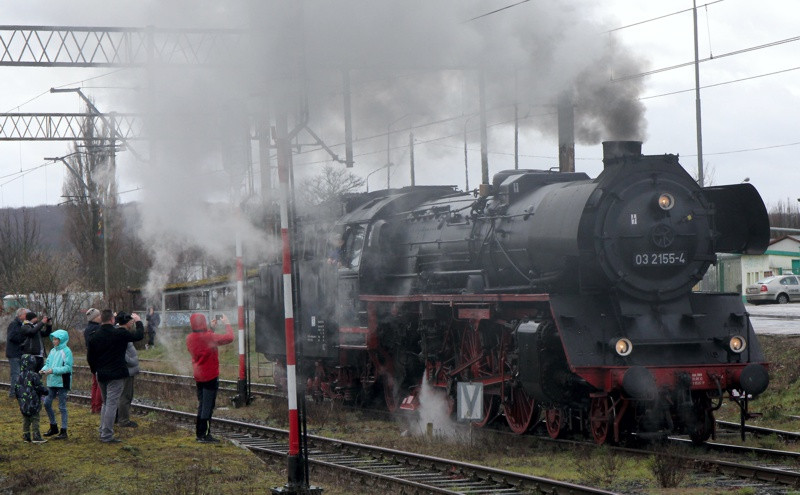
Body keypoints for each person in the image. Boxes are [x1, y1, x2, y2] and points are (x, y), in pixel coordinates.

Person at [86, 309, 144, 443]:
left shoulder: (94, 335)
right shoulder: (119, 334)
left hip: (101, 374)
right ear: (112, 320)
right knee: (111, 404)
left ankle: (103, 430)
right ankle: (106, 435)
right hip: (116, 374)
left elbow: (90, 357)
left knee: (106, 404)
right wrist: (139, 321)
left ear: (102, 319)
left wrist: (95, 370)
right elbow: (139, 336)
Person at [186, 313, 233, 443]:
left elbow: (204, 342)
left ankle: (199, 433)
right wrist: (227, 324)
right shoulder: (209, 337)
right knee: (208, 407)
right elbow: (230, 338)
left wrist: (211, 329)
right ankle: (204, 435)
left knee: (202, 405)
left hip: (199, 376)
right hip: (210, 376)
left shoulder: (190, 338)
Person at [41, 329, 73, 440]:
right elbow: (48, 364)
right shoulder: (52, 351)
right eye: (53, 339)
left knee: (62, 406)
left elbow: (68, 368)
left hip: (63, 382)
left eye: (56, 339)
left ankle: (64, 430)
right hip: (52, 381)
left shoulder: (67, 351)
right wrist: (43, 370)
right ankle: (53, 426)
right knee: (47, 403)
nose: (54, 341)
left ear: (61, 340)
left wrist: (53, 370)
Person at [14, 353, 49, 443]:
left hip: (23, 402)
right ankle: (36, 436)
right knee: (35, 418)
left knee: (25, 419)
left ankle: (26, 435)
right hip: (33, 401)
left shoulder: (19, 376)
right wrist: (46, 392)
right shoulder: (34, 375)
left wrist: (19, 399)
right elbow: (39, 387)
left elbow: (16, 389)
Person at [116, 312, 140, 428]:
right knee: (125, 396)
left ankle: (117, 417)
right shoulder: (122, 334)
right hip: (126, 369)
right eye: (131, 320)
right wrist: (139, 322)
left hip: (125, 368)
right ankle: (123, 420)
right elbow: (139, 336)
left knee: (121, 395)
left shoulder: (117, 332)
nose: (132, 322)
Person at [83, 308, 103, 413]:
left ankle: (93, 406)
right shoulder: (98, 329)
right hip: (98, 358)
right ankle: (98, 407)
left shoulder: (87, 329)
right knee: (100, 383)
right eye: (99, 316)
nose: (101, 317)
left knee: (95, 383)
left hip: (91, 358)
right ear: (94, 318)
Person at [6, 308, 28, 398]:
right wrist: (23, 337)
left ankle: (17, 392)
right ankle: (13, 393)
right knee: (16, 374)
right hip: (13, 353)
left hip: (18, 352)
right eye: (25, 314)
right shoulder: (14, 324)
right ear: (20, 315)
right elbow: (12, 337)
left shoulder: (20, 325)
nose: (26, 316)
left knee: (19, 374)